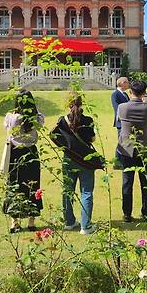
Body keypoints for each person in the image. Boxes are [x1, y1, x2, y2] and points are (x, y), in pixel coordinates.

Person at [2, 90, 44, 233]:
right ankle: (31, 221)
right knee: (33, 185)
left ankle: (15, 222)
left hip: (15, 152)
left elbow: (6, 128)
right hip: (31, 152)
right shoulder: (35, 118)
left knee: (14, 185)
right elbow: (41, 122)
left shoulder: (11, 117)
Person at [55, 93, 98, 235]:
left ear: (68, 104)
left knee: (68, 191)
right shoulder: (88, 120)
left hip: (68, 159)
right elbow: (92, 139)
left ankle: (69, 222)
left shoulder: (62, 120)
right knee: (86, 192)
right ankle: (85, 226)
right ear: (82, 103)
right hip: (85, 159)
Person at [116, 80, 147, 222]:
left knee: (127, 182)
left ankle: (127, 213)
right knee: (146, 182)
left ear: (130, 92)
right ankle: (146, 213)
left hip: (126, 148)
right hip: (144, 147)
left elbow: (119, 121)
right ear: (144, 92)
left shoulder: (122, 107)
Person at [111, 77, 130, 169]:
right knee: (121, 142)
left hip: (127, 122)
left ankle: (121, 161)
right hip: (121, 122)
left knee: (125, 142)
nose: (128, 84)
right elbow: (117, 108)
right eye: (126, 82)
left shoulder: (125, 94)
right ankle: (117, 163)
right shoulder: (115, 94)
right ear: (121, 83)